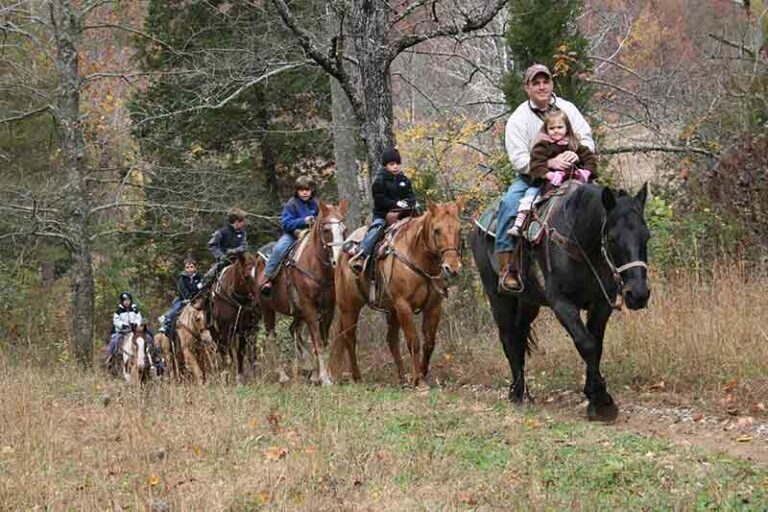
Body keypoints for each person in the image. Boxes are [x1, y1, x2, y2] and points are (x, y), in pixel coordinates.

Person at [496, 63, 594, 291]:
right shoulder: (518, 119)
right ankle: (507, 268)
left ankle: (611, 269)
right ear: (527, 88)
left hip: (572, 171)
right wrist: (548, 163)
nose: (542, 87)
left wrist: (575, 153)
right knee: (509, 204)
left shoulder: (567, 108)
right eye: (536, 83)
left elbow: (587, 137)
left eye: (545, 81)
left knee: (603, 204)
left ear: (551, 83)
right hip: (533, 177)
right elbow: (519, 159)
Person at [507, 110, 597, 238]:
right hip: (547, 181)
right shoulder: (542, 146)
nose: (556, 131)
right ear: (546, 130)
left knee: (596, 195)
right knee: (530, 195)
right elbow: (536, 164)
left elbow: (589, 158)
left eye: (560, 127)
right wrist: (549, 173)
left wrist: (585, 171)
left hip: (574, 176)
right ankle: (519, 225)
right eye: (552, 128)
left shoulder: (574, 144)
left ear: (567, 128)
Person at [349, 146, 417, 274]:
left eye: (397, 163)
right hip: (383, 213)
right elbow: (380, 200)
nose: (395, 166)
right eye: (392, 164)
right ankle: (362, 255)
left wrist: (407, 203)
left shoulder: (405, 180)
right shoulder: (379, 181)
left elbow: (411, 196)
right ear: (385, 165)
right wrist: (396, 203)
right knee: (377, 228)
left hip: (404, 213)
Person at [260, 176, 319, 297]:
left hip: (312, 235)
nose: (305, 192)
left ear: (311, 190)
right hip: (293, 235)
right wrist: (303, 221)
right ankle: (267, 278)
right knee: (279, 249)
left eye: (307, 190)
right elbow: (286, 223)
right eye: (301, 190)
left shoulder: (314, 204)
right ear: (297, 191)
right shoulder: (291, 204)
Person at [200, 207, 248, 290]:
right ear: (236, 222)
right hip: (224, 261)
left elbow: (244, 246)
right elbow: (212, 245)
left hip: (240, 260)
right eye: (243, 221)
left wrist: (235, 251)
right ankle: (200, 294)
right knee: (209, 277)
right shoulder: (222, 232)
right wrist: (221, 256)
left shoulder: (243, 233)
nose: (244, 223)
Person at [106, 292, 158, 365]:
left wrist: (136, 323)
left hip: (135, 330)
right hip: (123, 331)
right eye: (125, 300)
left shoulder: (135, 310)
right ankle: (110, 357)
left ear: (130, 301)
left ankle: (155, 354)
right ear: (122, 301)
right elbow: (116, 321)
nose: (126, 302)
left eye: (128, 300)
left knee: (149, 337)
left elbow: (139, 318)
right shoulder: (118, 312)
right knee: (115, 340)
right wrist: (122, 325)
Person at [158, 256, 203, 334]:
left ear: (195, 268)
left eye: (191, 267)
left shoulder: (200, 278)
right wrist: (188, 297)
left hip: (198, 299)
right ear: (185, 269)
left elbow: (202, 288)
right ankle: (166, 322)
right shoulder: (182, 279)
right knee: (176, 309)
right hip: (184, 299)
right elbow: (183, 290)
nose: (189, 269)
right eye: (187, 267)